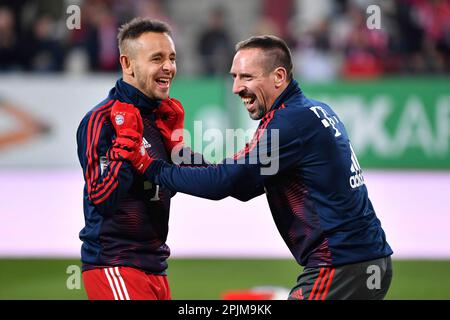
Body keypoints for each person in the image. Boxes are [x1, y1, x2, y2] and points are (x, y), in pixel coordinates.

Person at [110, 35, 393, 300]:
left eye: (246, 77)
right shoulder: (305, 112)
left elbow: (225, 182)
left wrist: (150, 166)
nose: (236, 88)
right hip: (365, 262)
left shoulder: (288, 123)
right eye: (234, 76)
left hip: (341, 266)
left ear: (279, 77)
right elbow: (243, 184)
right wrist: (180, 154)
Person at [76, 18, 189, 300]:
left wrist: (247, 167)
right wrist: (126, 146)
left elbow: (168, 188)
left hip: (155, 267)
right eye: (157, 58)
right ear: (127, 64)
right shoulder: (100, 120)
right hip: (114, 266)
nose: (169, 67)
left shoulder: (158, 117)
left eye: (172, 58)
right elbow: (103, 198)